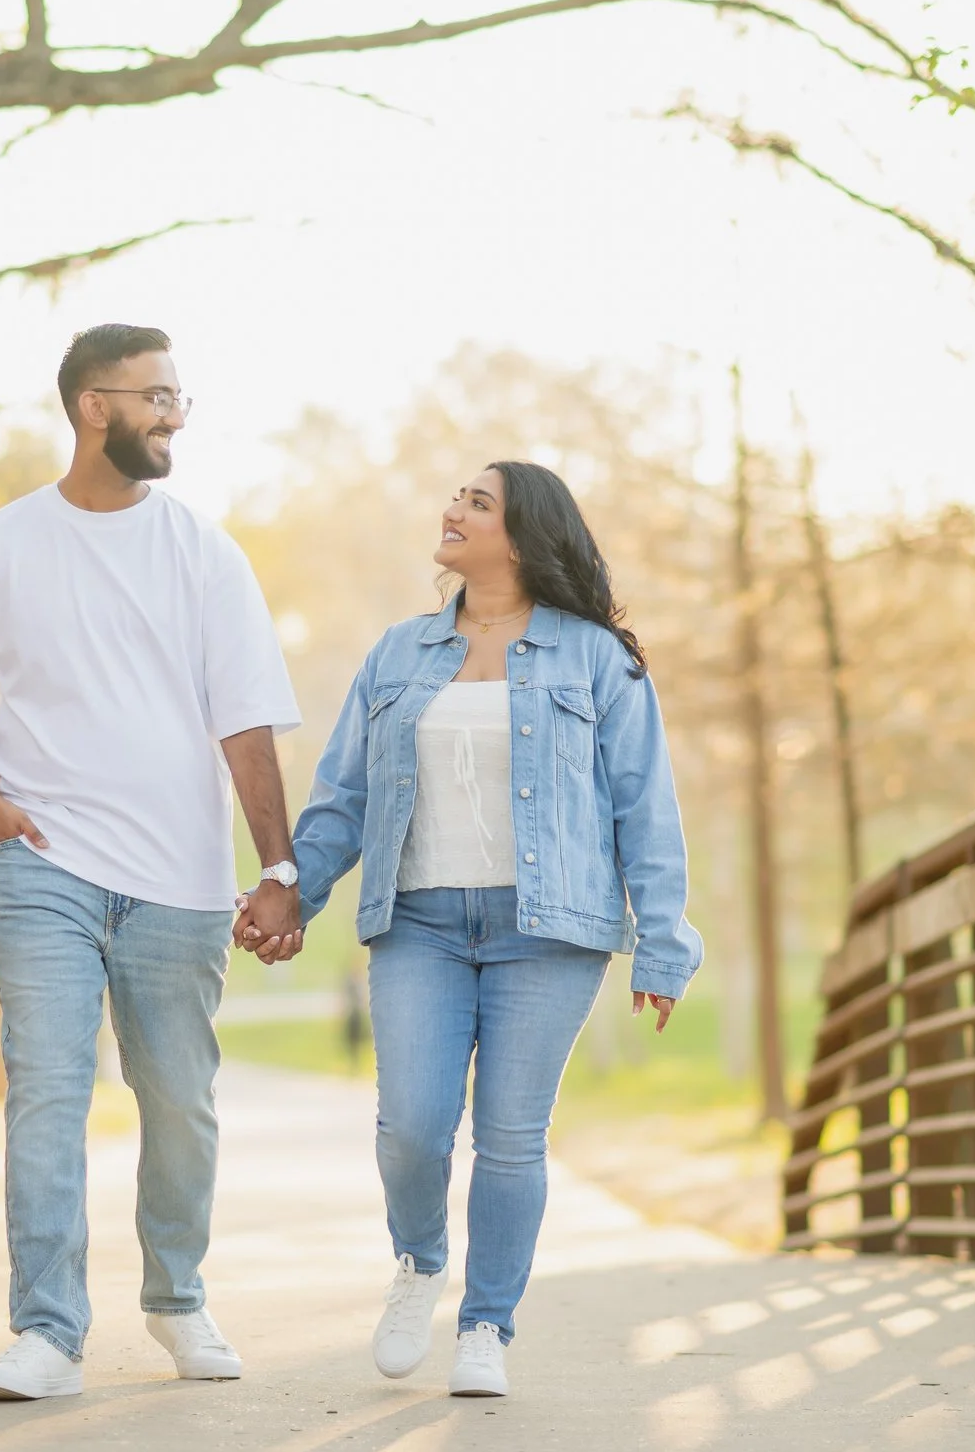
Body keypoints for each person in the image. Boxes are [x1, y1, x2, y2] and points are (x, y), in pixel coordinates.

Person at [239, 460, 700, 1398]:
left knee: (511, 1137)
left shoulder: (596, 658)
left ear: (524, 537)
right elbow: (343, 797)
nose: (451, 509)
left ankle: (487, 1323)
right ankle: (419, 1262)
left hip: (551, 928)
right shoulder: (399, 653)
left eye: (476, 502)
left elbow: (644, 806)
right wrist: (291, 885)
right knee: (412, 1125)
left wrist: (661, 938)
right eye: (455, 495)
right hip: (420, 922)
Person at [0, 324, 306, 1401]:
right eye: (158, 395)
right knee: (46, 1090)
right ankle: (46, 1330)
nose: (176, 414)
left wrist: (279, 868)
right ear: (95, 406)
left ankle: (176, 1298)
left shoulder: (204, 553)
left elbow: (247, 726)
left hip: (178, 877)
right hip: (42, 868)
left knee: (178, 1099)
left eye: (180, 395)